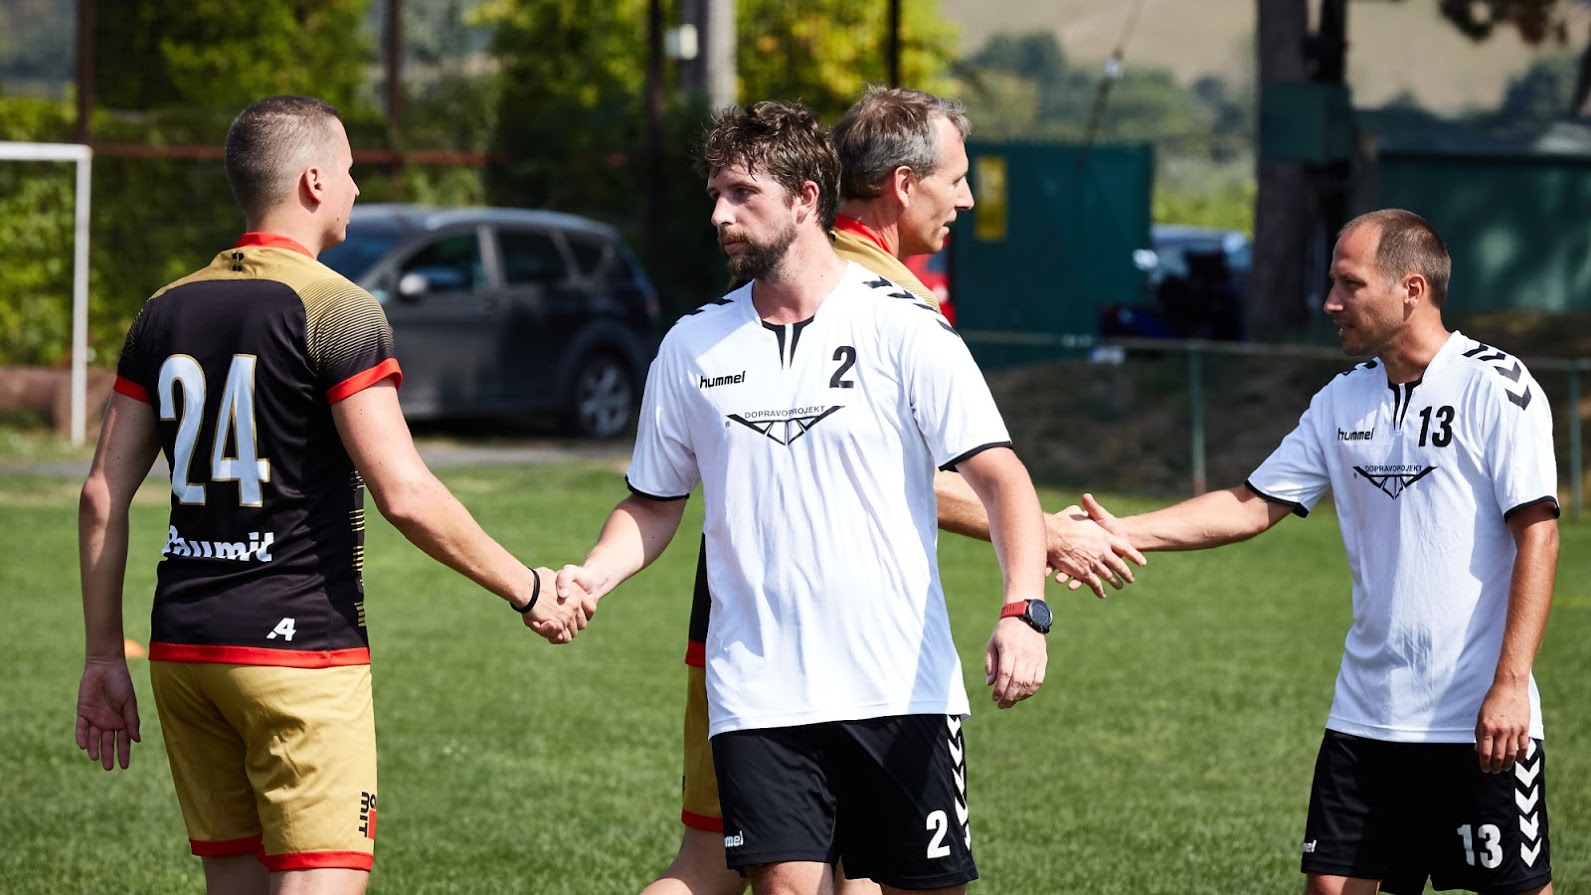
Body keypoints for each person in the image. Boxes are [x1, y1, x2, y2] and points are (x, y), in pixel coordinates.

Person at [74, 94, 586, 895]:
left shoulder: (163, 309)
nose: (355, 186)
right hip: (298, 649)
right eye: (349, 170)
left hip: (183, 649)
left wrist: (105, 654)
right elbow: (404, 492)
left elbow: (102, 495)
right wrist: (528, 587)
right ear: (313, 181)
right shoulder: (339, 309)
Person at [642, 86, 1143, 895]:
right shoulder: (870, 296)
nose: (967, 198)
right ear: (904, 185)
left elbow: (964, 469)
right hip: (770, 634)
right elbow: (895, 475)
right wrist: (1041, 539)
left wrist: (1026, 557)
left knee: (752, 867)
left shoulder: (868, 290)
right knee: (722, 869)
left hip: (785, 631)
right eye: (956, 178)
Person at [562, 99, 1052, 895]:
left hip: (899, 687)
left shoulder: (905, 327)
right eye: (715, 195)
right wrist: (593, 573)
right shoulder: (689, 346)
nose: (719, 215)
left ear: (805, 198)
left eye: (741, 194)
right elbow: (653, 503)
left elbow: (1001, 479)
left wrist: (1021, 610)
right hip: (757, 694)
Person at [1082, 209, 1557, 895]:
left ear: (1411, 289)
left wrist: (1510, 684)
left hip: (1475, 715)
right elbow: (1249, 504)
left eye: (1348, 284)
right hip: (1366, 712)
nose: (1330, 302)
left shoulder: (1496, 385)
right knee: (1331, 888)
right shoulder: (1341, 398)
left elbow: (1538, 533)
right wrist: (1121, 530)